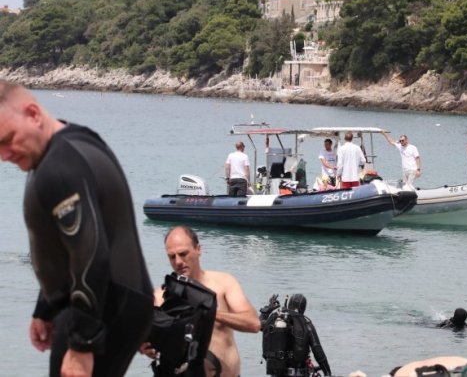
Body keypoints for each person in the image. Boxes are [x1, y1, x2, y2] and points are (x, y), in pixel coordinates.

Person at [0, 80, 153, 376]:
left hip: (104, 307)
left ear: (33, 114)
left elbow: (90, 253)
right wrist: (46, 307)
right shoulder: (75, 143)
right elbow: (65, 247)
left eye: (8, 139)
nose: (4, 155)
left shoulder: (58, 168)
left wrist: (84, 343)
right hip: (112, 302)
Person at [141, 226, 261, 377]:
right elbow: (140, 339)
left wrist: (208, 312)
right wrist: (144, 349)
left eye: (183, 254)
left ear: (198, 249)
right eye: (172, 257)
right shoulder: (160, 297)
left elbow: (253, 324)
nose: (178, 261)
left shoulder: (224, 283)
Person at [260, 293, 332, 376]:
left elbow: (258, 324)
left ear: (289, 304)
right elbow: (318, 351)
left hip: (276, 374)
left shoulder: (274, 320)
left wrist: (268, 308)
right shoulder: (306, 325)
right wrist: (327, 372)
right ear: (303, 308)